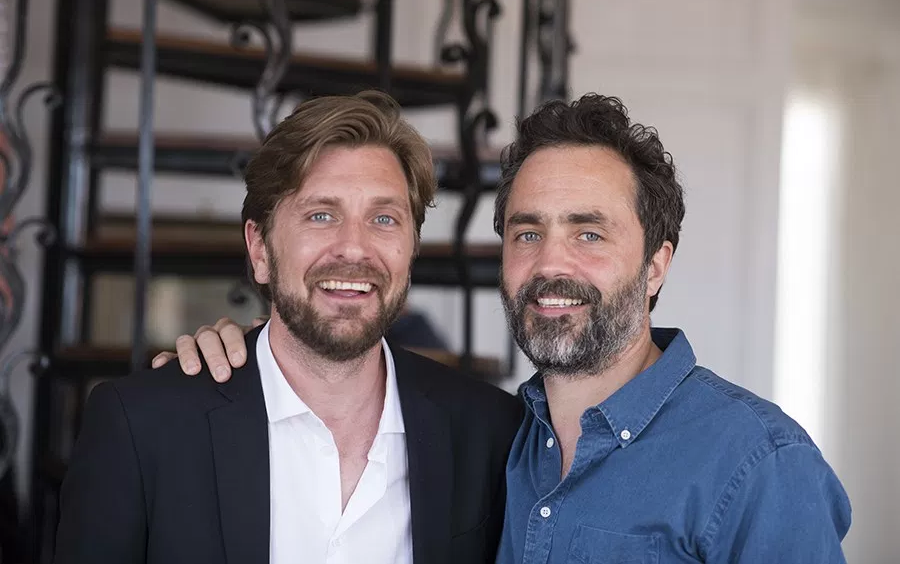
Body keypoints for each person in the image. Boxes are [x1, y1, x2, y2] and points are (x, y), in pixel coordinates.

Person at [161, 94, 852, 562]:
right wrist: (261, 350)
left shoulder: (760, 463)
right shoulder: (500, 441)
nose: (551, 263)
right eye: (527, 232)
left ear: (655, 265)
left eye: (589, 233)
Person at [53, 92, 523, 564]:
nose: (354, 248)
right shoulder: (142, 425)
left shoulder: (488, 432)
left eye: (384, 219)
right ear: (259, 249)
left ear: (411, 248)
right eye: (321, 215)